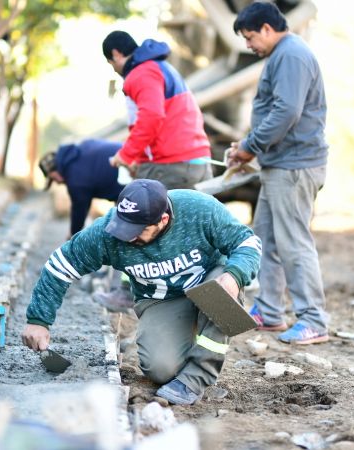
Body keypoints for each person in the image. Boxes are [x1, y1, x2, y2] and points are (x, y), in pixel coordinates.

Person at [21, 179, 261, 405]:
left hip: (208, 283)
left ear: (163, 220)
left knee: (220, 294)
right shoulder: (108, 232)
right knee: (160, 369)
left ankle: (196, 377)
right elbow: (59, 266)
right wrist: (39, 320)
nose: (127, 236)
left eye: (137, 230)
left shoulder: (200, 210)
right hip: (161, 299)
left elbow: (247, 243)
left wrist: (234, 275)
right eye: (124, 226)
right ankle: (186, 335)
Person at [227, 2, 329, 344]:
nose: (248, 45)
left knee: (294, 243)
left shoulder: (292, 55)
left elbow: (287, 111)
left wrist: (250, 146)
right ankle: (270, 311)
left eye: (250, 36)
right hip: (279, 165)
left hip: (295, 167)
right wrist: (247, 147)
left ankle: (313, 318)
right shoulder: (282, 55)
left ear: (268, 29)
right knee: (266, 239)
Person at [101, 31, 213, 189]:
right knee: (201, 214)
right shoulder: (161, 67)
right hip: (199, 160)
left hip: (171, 166)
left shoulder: (141, 73)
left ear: (116, 54)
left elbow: (151, 116)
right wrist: (138, 159)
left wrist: (126, 155)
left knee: (147, 211)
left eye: (110, 62)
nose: (113, 69)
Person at [38, 139, 124, 237]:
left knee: (121, 227)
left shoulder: (75, 178)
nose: (57, 183)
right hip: (129, 157)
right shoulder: (77, 152)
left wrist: (72, 236)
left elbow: (79, 210)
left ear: (56, 171)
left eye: (53, 178)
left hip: (128, 171)